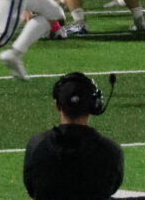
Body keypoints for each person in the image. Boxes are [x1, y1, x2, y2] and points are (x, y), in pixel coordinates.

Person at [23, 72, 123, 200]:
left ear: (57, 106)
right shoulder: (111, 150)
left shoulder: (36, 146)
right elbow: (111, 188)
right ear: (94, 106)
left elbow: (32, 188)